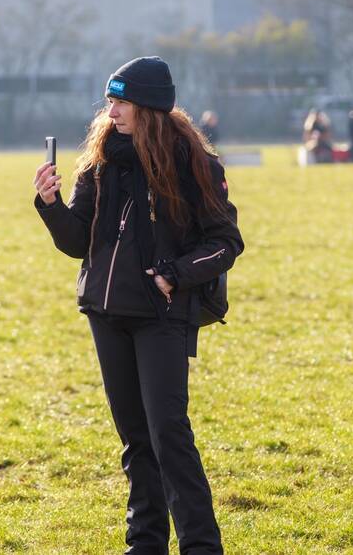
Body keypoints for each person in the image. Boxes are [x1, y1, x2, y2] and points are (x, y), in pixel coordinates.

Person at [33, 56, 242, 555]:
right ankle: (145, 544)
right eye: (110, 101)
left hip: (162, 316)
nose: (112, 111)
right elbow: (77, 241)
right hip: (106, 315)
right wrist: (49, 206)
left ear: (147, 107)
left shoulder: (196, 166)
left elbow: (225, 242)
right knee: (135, 441)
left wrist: (175, 274)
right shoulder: (100, 163)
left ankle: (201, 546)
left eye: (121, 101)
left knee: (168, 435)